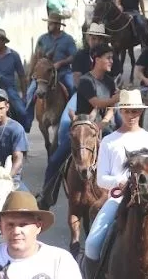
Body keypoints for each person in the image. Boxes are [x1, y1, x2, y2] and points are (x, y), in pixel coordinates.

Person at [82, 89, 148, 277]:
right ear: (120, 111)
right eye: (127, 111)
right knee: (91, 243)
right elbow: (100, 178)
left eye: (135, 111)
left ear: (141, 112)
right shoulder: (108, 141)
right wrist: (124, 181)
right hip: (119, 198)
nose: (131, 115)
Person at [37, 44, 119, 210]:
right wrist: (118, 98)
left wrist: (104, 122)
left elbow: (110, 108)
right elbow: (96, 103)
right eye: (108, 58)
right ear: (97, 59)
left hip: (102, 126)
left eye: (112, 58)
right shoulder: (86, 81)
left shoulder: (109, 81)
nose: (112, 61)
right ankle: (46, 195)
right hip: (82, 127)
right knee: (56, 159)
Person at [27, 14, 77, 101]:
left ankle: (74, 111)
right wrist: (30, 73)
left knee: (72, 87)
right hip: (43, 73)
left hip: (63, 72)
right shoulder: (42, 39)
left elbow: (73, 56)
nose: (48, 25)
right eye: (48, 23)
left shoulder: (68, 39)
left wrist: (61, 63)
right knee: (30, 92)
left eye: (51, 24)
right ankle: (30, 114)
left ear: (58, 25)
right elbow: (35, 56)